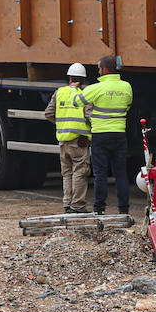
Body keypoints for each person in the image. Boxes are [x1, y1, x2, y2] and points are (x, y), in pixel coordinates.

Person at [82, 55, 133, 216]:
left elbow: (78, 100)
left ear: (104, 69)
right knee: (121, 174)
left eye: (99, 69)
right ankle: (123, 209)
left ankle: (99, 208)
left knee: (100, 174)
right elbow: (128, 105)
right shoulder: (127, 87)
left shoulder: (97, 88)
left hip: (100, 135)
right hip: (119, 134)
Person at [44, 62, 91, 213]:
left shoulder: (59, 92)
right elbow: (89, 116)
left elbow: (48, 114)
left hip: (63, 140)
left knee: (67, 173)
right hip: (79, 141)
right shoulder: (84, 95)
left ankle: (67, 204)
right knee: (80, 171)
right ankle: (77, 205)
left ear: (70, 78)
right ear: (82, 80)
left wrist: (62, 124)